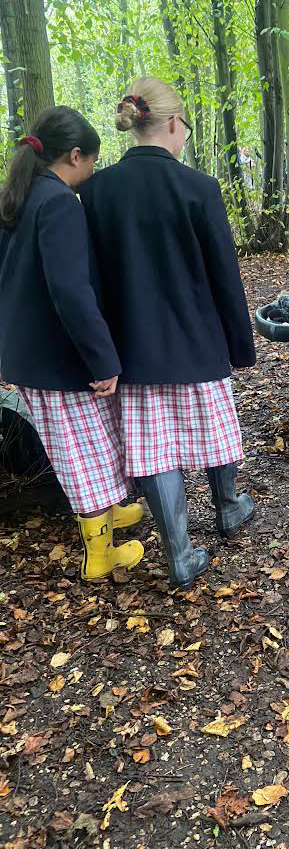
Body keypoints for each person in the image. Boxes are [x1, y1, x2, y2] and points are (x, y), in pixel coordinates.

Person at [79, 77, 256, 589]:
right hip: (198, 340)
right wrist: (239, 346)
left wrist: (101, 352)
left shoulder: (95, 191)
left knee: (154, 448)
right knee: (214, 426)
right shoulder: (199, 187)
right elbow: (224, 273)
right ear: (174, 123)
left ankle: (179, 554)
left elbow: (90, 281)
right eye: (185, 129)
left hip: (132, 347)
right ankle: (228, 507)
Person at [0, 106, 144, 580]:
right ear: (75, 155)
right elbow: (71, 290)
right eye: (93, 162)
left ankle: (107, 513)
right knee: (80, 450)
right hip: (57, 358)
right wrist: (102, 358)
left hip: (27, 355)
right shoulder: (60, 202)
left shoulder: (18, 198)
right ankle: (100, 555)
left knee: (87, 442)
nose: (94, 172)